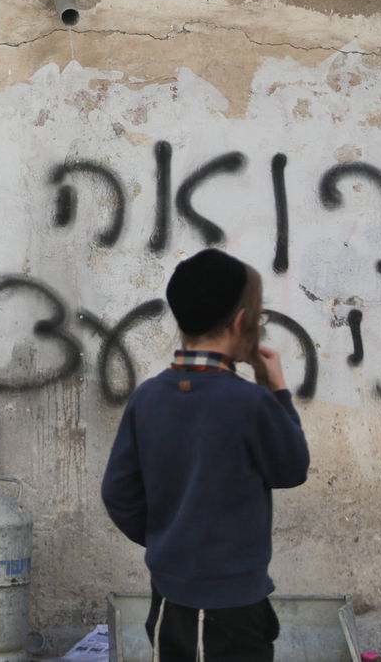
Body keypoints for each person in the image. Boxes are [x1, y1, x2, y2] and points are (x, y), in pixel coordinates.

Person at [101, 248, 310, 662]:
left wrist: (170, 538)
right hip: (236, 605)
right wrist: (277, 390)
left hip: (170, 598)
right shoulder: (250, 403)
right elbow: (291, 468)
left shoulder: (148, 397)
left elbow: (118, 493)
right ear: (241, 322)